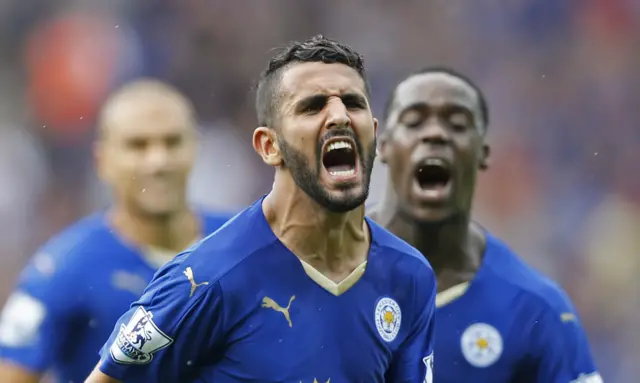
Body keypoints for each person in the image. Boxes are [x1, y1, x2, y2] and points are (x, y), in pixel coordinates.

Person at [86, 35, 437, 383]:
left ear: (374, 134)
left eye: (353, 103)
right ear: (270, 146)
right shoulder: (207, 278)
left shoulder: (408, 276)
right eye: (313, 106)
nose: (339, 116)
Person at [370, 67, 602, 382]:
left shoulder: (534, 309)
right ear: (382, 145)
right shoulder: (317, 268)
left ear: (483, 153)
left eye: (458, 124)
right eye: (414, 121)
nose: (435, 134)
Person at [0, 79, 233, 383]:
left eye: (172, 142)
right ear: (103, 160)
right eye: (138, 145)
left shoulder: (241, 243)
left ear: (195, 149)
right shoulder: (62, 267)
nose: (158, 161)